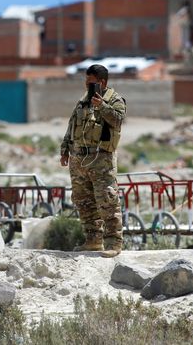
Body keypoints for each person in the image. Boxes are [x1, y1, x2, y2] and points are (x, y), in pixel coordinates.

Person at [60, 64, 126, 257]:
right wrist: (65, 150)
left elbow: (118, 120)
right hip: (79, 159)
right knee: (83, 201)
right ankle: (93, 240)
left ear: (102, 82)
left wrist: (102, 107)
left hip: (101, 159)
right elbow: (72, 125)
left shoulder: (115, 100)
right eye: (86, 82)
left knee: (107, 200)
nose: (87, 86)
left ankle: (114, 243)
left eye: (91, 82)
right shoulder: (83, 101)